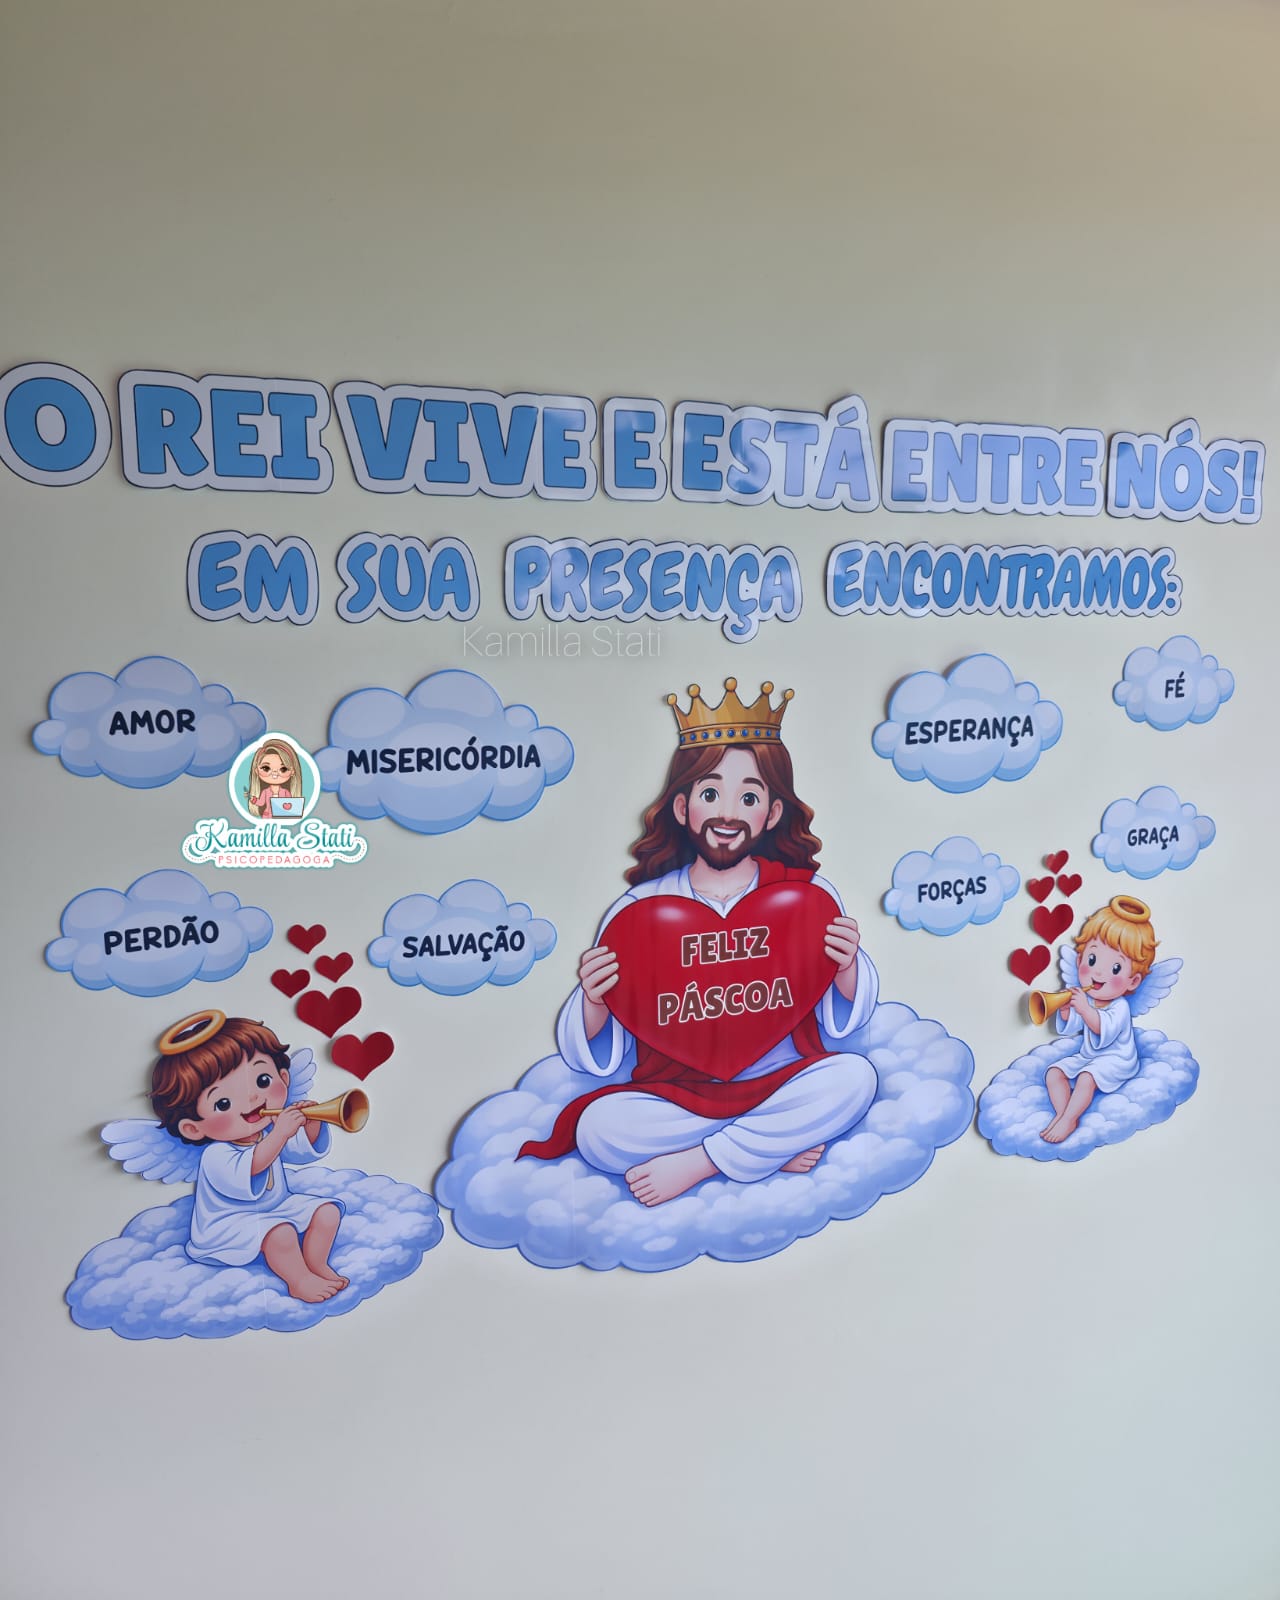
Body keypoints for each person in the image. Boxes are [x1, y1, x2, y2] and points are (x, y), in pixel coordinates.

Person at [519, 680, 879, 1205]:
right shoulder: (641, 909)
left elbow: (841, 1014)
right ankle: (770, 1143)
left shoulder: (807, 897)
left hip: (782, 1080)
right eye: (711, 794)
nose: (727, 814)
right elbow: (598, 1046)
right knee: (598, 1129)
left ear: (771, 813)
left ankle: (703, 1161)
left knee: (855, 1078)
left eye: (748, 797)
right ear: (683, 807)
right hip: (676, 1100)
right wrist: (594, 998)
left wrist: (846, 966)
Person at [150, 1013, 348, 1302]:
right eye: (223, 1103)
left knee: (328, 1212)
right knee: (280, 1234)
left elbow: (299, 1151)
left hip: (276, 1208)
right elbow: (255, 1164)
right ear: (193, 1128)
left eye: (262, 1080)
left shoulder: (269, 1131)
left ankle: (317, 1264)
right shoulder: (216, 1155)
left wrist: (312, 1122)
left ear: (284, 1078)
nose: (252, 1099)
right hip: (226, 1226)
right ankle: (299, 1280)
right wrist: (280, 1133)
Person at [1040, 897, 1157, 1144]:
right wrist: (1066, 1010)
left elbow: (1102, 1029)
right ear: (1079, 960)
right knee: (1054, 1073)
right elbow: (1075, 1026)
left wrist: (1084, 1008)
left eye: (1116, 969)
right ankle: (1063, 1114)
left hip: (1117, 1060)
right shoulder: (1089, 1000)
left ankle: (1069, 1118)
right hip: (1090, 1056)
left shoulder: (1120, 1006)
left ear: (1133, 981)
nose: (1099, 973)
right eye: (1091, 960)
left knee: (1086, 1078)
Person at [245, 737, 304, 819]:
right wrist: (253, 799)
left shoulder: (285, 792)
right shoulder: (265, 792)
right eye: (266, 768)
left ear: (292, 771)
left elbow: (290, 804)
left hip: (282, 817)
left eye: (283, 769)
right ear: (256, 771)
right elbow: (261, 802)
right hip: (267, 816)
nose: (274, 773)